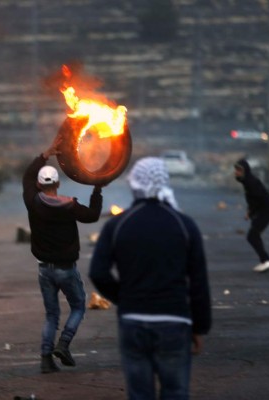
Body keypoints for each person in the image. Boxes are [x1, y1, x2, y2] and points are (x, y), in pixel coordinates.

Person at [89, 157, 211, 400]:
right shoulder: (184, 225)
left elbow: (98, 273)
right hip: (175, 321)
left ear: (134, 183)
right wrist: (200, 327)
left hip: (133, 321)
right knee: (175, 392)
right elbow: (198, 282)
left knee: (139, 394)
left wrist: (124, 298)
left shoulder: (118, 224)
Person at [22, 135, 103, 373]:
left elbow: (26, 177)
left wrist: (45, 155)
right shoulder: (69, 205)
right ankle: (64, 344)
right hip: (66, 268)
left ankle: (46, 360)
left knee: (51, 314)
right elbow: (92, 216)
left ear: (40, 185)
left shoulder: (33, 202)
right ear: (57, 185)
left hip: (44, 269)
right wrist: (97, 188)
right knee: (78, 306)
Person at [234, 158, 269, 272]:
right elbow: (254, 200)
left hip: (267, 210)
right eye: (236, 170)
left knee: (252, 236)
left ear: (245, 171)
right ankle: (265, 260)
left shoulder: (250, 182)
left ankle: (266, 260)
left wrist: (252, 213)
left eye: (239, 170)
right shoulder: (247, 181)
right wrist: (250, 212)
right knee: (254, 235)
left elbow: (257, 199)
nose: (236, 172)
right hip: (264, 210)